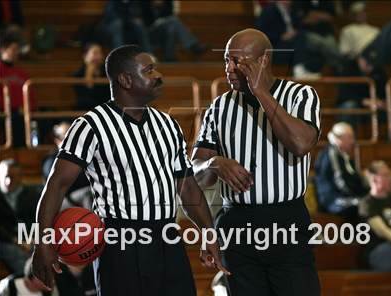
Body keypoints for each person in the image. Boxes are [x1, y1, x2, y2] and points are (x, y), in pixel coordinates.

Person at [31, 45, 228, 296]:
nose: (158, 75)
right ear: (125, 79)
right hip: (119, 242)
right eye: (148, 70)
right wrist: (42, 242)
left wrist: (208, 233)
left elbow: (187, 186)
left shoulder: (168, 125)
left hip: (167, 238)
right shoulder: (91, 125)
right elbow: (56, 185)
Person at [192, 28, 321, 295]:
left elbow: (300, 144)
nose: (229, 68)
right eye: (226, 60)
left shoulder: (301, 95)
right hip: (236, 222)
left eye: (238, 61)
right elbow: (194, 172)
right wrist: (214, 163)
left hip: (286, 221)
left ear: (263, 60)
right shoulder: (219, 107)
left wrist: (261, 92)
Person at [314, 122, 369, 220]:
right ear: (339, 138)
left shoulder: (344, 155)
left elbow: (354, 179)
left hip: (346, 197)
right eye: (350, 137)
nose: (353, 141)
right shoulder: (331, 154)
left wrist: (366, 194)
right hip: (333, 200)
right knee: (359, 208)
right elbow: (340, 183)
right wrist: (359, 197)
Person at [42, 121, 92, 210]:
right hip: (61, 200)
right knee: (87, 193)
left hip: (81, 194)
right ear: (58, 141)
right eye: (67, 137)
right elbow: (60, 187)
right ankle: (97, 223)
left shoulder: (82, 157)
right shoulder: (51, 161)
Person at [359, 161, 391, 271]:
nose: (390, 178)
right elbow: (382, 231)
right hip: (378, 251)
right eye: (385, 175)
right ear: (374, 179)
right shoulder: (367, 203)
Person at [0, 33, 35, 147]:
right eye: (13, 49)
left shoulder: (22, 73)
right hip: (3, 111)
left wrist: (29, 108)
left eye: (17, 49)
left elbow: (31, 95)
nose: (16, 52)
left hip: (20, 112)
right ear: (3, 50)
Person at [73, 43, 111, 110]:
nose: (99, 56)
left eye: (100, 53)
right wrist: (89, 72)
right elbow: (85, 96)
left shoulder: (107, 73)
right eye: (95, 53)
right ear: (85, 56)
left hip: (104, 108)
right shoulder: (78, 74)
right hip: (85, 109)